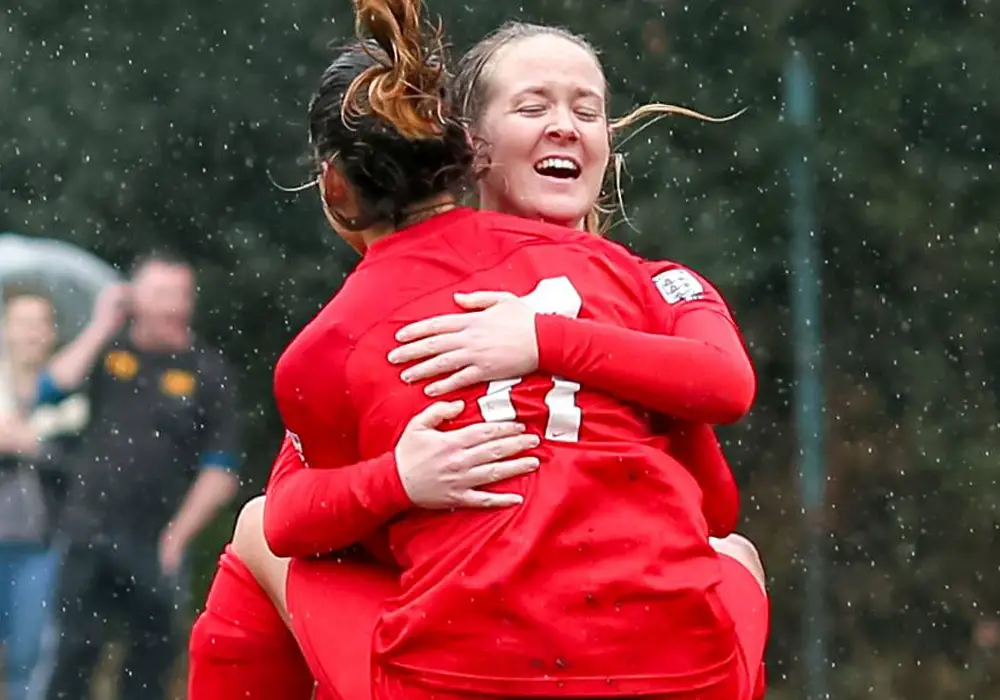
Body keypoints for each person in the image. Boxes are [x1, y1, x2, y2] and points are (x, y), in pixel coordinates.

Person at [190, 3, 767, 700]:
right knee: (727, 558)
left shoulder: (376, 314)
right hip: (661, 667)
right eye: (534, 106)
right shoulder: (636, 290)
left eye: (588, 109)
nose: (565, 124)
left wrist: (540, 343)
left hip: (468, 668)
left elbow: (296, 513)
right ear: (470, 145)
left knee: (267, 528)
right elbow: (714, 500)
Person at [37, 252, 241, 700]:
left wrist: (176, 536)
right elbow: (49, 391)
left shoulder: (209, 374)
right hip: (87, 528)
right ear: (134, 300)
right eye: (163, 294)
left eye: (183, 294)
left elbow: (221, 471)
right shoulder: (108, 353)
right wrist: (100, 325)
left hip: (158, 538)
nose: (176, 306)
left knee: (150, 662)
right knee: (73, 653)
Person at [0, 286, 88, 700]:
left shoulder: (73, 396)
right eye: (22, 322)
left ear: (52, 333)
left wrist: (33, 447)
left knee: (30, 658)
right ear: (5, 329)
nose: (30, 333)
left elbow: (86, 467)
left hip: (42, 545)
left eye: (40, 324)